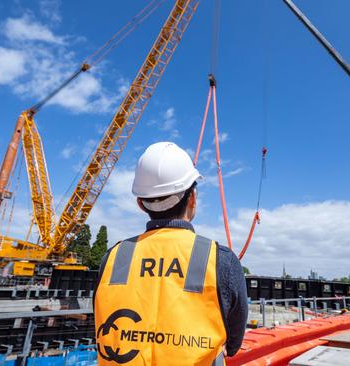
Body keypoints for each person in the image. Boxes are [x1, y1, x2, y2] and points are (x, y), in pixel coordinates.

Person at [94, 142, 248, 365]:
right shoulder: (220, 259)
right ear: (192, 198)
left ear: (140, 203)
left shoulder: (113, 257)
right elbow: (233, 343)